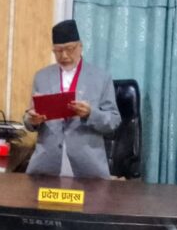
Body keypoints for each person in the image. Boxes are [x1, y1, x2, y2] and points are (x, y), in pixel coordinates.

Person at [24, 19, 121, 178]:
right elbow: (28, 119)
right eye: (58, 51)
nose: (64, 55)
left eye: (69, 49)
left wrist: (90, 114)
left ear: (80, 46)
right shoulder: (41, 77)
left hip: (88, 167)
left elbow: (114, 121)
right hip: (46, 166)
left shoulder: (101, 77)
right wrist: (32, 120)